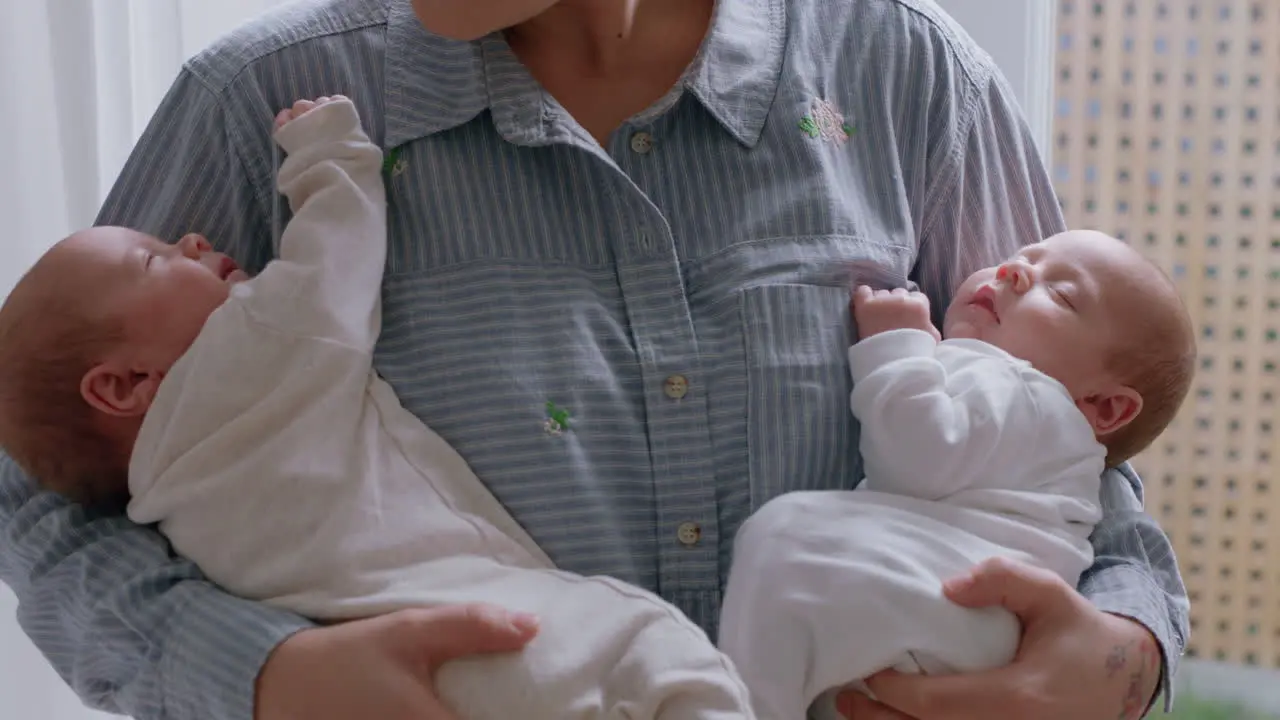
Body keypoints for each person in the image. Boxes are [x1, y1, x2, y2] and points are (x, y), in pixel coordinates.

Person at [0, 1, 1187, 719]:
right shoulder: (259, 102)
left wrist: (1121, 661)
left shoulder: (906, 78)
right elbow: (47, 503)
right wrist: (264, 681)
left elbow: (1071, 455)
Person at [0, 94, 755, 720]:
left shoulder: (159, 494)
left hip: (417, 664)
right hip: (485, 632)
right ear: (123, 386)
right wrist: (328, 151)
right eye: (157, 258)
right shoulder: (246, 356)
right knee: (652, 647)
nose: (192, 239)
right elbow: (334, 260)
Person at [718, 230, 1195, 719]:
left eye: (1061, 294)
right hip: (966, 626)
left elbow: (920, 458)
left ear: (1105, 406)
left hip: (955, 604)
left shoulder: (1031, 394)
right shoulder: (1043, 429)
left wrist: (895, 345)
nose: (1014, 271)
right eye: (1018, 258)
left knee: (785, 540)